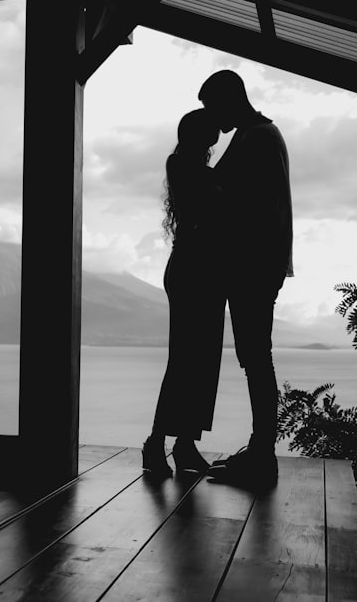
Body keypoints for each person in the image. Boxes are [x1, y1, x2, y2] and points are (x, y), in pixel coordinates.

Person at [198, 70, 293, 490]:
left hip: (253, 265)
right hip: (260, 264)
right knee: (256, 359)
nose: (209, 116)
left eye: (210, 106)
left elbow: (241, 200)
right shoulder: (259, 133)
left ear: (227, 100)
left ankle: (261, 457)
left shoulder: (256, 137)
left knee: (256, 359)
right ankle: (260, 452)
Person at [142, 108, 225, 476]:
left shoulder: (195, 168)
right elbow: (209, 201)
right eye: (213, 128)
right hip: (192, 268)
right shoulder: (180, 165)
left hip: (203, 269)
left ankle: (185, 445)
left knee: (202, 361)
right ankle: (156, 443)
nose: (219, 131)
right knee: (185, 361)